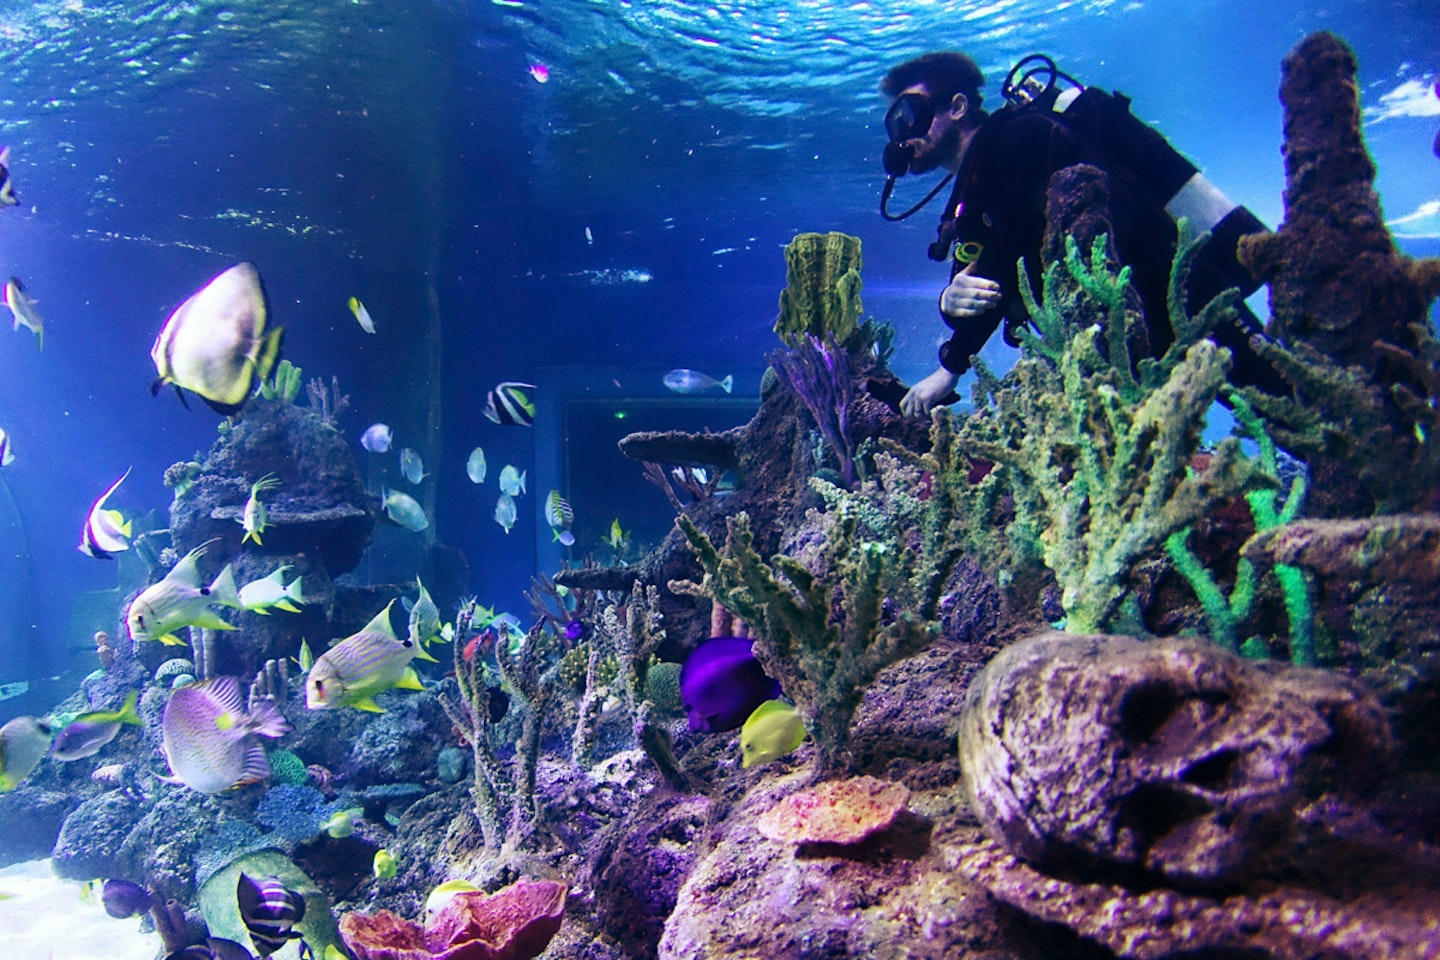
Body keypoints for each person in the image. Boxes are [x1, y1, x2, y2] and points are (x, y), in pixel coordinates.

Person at [878, 52, 1283, 417]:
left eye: (910, 114)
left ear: (958, 106)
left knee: (1284, 400)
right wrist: (952, 298)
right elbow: (979, 280)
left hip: (1176, 294)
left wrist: (951, 366)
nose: (901, 134)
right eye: (893, 122)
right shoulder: (974, 190)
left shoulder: (1017, 140)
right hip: (1120, 334)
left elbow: (1008, 247)